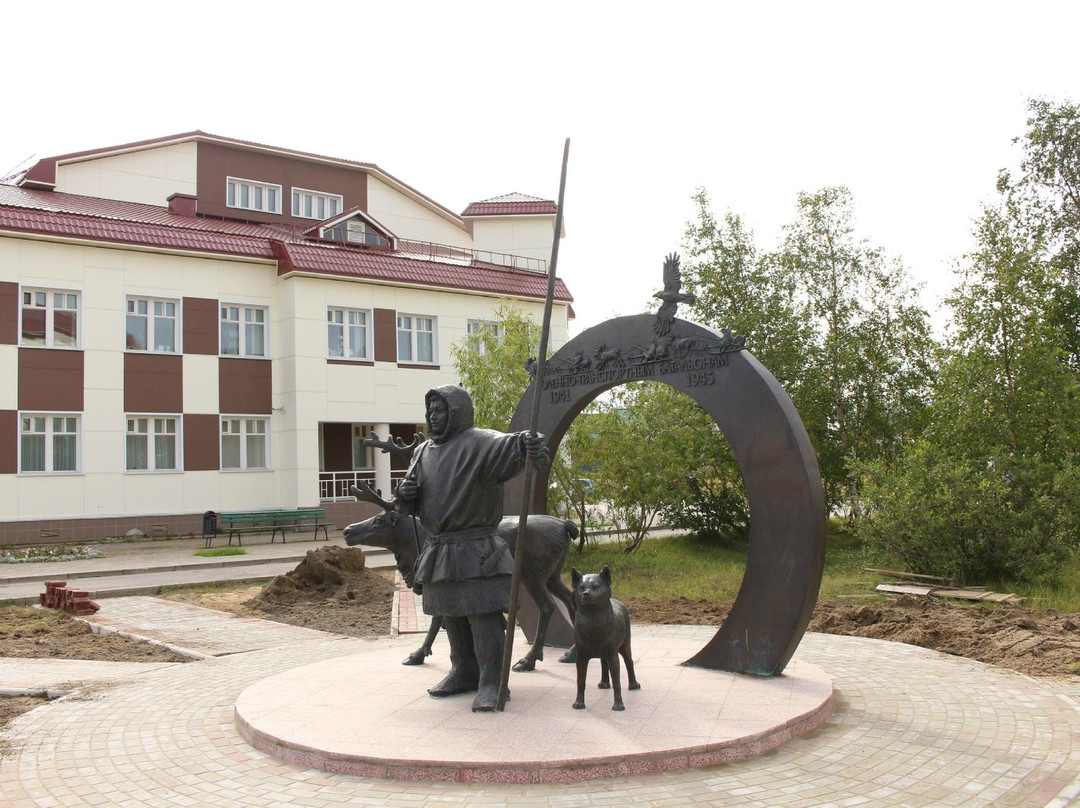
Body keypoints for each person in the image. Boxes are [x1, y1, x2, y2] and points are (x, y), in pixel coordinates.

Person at [395, 384, 547, 712]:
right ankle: (463, 670)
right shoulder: (422, 452)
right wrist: (406, 494)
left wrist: (524, 443)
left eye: (438, 411)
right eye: (429, 411)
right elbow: (407, 503)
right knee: (451, 614)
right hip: (440, 547)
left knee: (482, 616)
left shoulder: (478, 442)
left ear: (456, 412)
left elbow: (507, 444)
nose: (431, 417)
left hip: (476, 547)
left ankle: (492, 681)